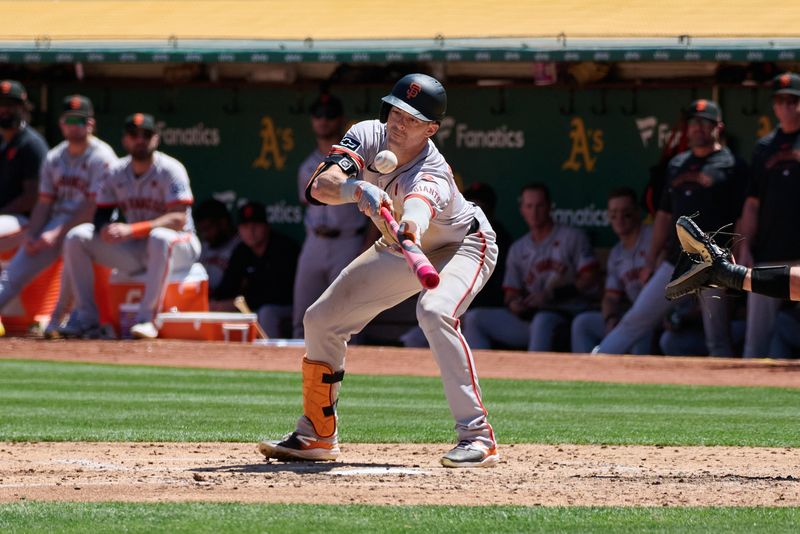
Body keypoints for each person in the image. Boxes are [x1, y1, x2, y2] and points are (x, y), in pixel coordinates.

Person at [258, 73, 501, 468]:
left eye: (412, 118)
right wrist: (357, 190)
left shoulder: (432, 171)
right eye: (396, 111)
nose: (399, 122)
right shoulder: (367, 133)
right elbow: (321, 186)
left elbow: (419, 210)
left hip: (462, 244)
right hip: (399, 246)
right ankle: (316, 433)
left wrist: (410, 223)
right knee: (322, 319)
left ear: (432, 129)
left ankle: (477, 436)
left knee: (435, 311)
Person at [595, 99, 749, 356]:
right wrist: (651, 259)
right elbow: (664, 216)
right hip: (675, 260)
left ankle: (724, 390)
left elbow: (742, 215)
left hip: (714, 262)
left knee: (717, 338)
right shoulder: (677, 164)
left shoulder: (732, 164)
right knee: (636, 318)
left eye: (704, 122)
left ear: (718, 126)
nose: (697, 127)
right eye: (693, 122)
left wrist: (739, 256)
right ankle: (597, 361)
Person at [60, 113, 200, 339]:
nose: (140, 140)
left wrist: (132, 230)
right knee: (77, 237)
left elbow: (178, 218)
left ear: (156, 138)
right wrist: (104, 228)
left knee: (160, 238)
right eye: (134, 135)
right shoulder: (116, 171)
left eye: (146, 134)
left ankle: (147, 321)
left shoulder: (170, 169)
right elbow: (102, 213)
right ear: (125, 140)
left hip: (182, 245)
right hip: (139, 248)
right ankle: (86, 320)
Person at [0, 95, 117, 337]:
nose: (75, 125)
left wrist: (55, 233)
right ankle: (56, 323)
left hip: (92, 227)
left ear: (91, 124)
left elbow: (91, 207)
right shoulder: (55, 157)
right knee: (16, 270)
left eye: (80, 120)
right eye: (69, 120)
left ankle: (60, 321)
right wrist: (32, 233)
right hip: (56, 223)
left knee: (73, 240)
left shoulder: (102, 157)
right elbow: (44, 203)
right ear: (61, 124)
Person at [461, 183, 601, 352]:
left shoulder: (572, 237)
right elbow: (511, 294)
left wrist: (552, 295)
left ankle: (534, 376)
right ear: (522, 209)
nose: (534, 212)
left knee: (542, 320)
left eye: (539, 205)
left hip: (565, 315)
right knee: (474, 318)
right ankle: (480, 376)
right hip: (529, 318)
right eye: (529, 206)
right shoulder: (519, 248)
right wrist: (515, 304)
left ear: (549, 207)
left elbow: (590, 279)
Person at [292, 94, 371, 339]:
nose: (323, 121)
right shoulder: (307, 166)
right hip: (314, 241)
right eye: (318, 115)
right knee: (302, 311)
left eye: (330, 115)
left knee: (347, 313)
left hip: (348, 241)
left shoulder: (357, 162)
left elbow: (374, 209)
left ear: (341, 120)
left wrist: (366, 248)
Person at [400, 180, 510, 348]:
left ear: (491, 209)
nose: (477, 208)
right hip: (451, 306)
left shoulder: (496, 239)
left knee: (473, 324)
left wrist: (465, 311)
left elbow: (496, 288)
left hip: (481, 312)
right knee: (413, 338)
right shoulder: (452, 235)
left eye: (483, 205)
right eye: (473, 203)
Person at [735, 72, 800, 357]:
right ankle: (749, 392)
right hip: (769, 251)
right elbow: (752, 203)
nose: (786, 107)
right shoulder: (765, 147)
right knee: (756, 342)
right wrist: (746, 245)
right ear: (774, 106)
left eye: (792, 100)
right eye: (780, 100)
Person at [571, 187, 653, 354]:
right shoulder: (616, 252)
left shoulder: (652, 238)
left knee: (639, 331)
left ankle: (638, 378)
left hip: (658, 316)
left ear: (637, 213)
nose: (619, 219)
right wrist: (610, 318)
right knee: (583, 323)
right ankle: (584, 376)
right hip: (632, 317)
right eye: (614, 214)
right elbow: (610, 297)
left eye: (626, 213)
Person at [210, 201, 299, 338]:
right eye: (245, 226)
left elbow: (279, 294)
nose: (250, 231)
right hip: (254, 306)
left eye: (255, 225)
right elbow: (227, 286)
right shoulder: (241, 251)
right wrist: (217, 303)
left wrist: (236, 304)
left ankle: (272, 355)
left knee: (266, 313)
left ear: (266, 226)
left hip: (287, 306)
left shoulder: (283, 248)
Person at [0, 80, 48, 254]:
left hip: (26, 220)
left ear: (23, 108)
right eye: (1, 104)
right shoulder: (2, 140)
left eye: (11, 105)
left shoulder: (31, 144)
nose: (4, 110)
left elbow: (32, 197)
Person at [193, 198, 240, 293]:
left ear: (223, 223)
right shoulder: (203, 247)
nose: (204, 235)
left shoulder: (241, 245)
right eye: (202, 230)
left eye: (207, 228)